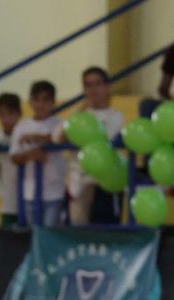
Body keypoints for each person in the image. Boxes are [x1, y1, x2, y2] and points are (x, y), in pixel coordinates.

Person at [69, 67, 125, 226]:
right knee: (78, 230)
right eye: (88, 85)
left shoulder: (116, 116)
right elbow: (58, 137)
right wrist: (81, 109)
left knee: (105, 230)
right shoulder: (78, 116)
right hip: (80, 182)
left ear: (107, 87)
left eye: (97, 84)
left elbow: (106, 143)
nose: (93, 89)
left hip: (105, 183)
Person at [9, 80, 68, 225]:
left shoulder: (59, 124)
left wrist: (38, 138)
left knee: (49, 233)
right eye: (36, 100)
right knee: (34, 232)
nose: (40, 105)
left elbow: (60, 138)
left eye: (45, 100)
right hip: (29, 192)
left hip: (54, 191)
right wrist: (31, 156)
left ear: (53, 102)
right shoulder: (22, 126)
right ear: (30, 101)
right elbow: (14, 156)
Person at [0, 92, 22, 226]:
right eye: (2, 115)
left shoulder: (26, 134)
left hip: (28, 201)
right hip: (8, 203)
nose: (6, 119)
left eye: (10, 114)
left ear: (18, 114)